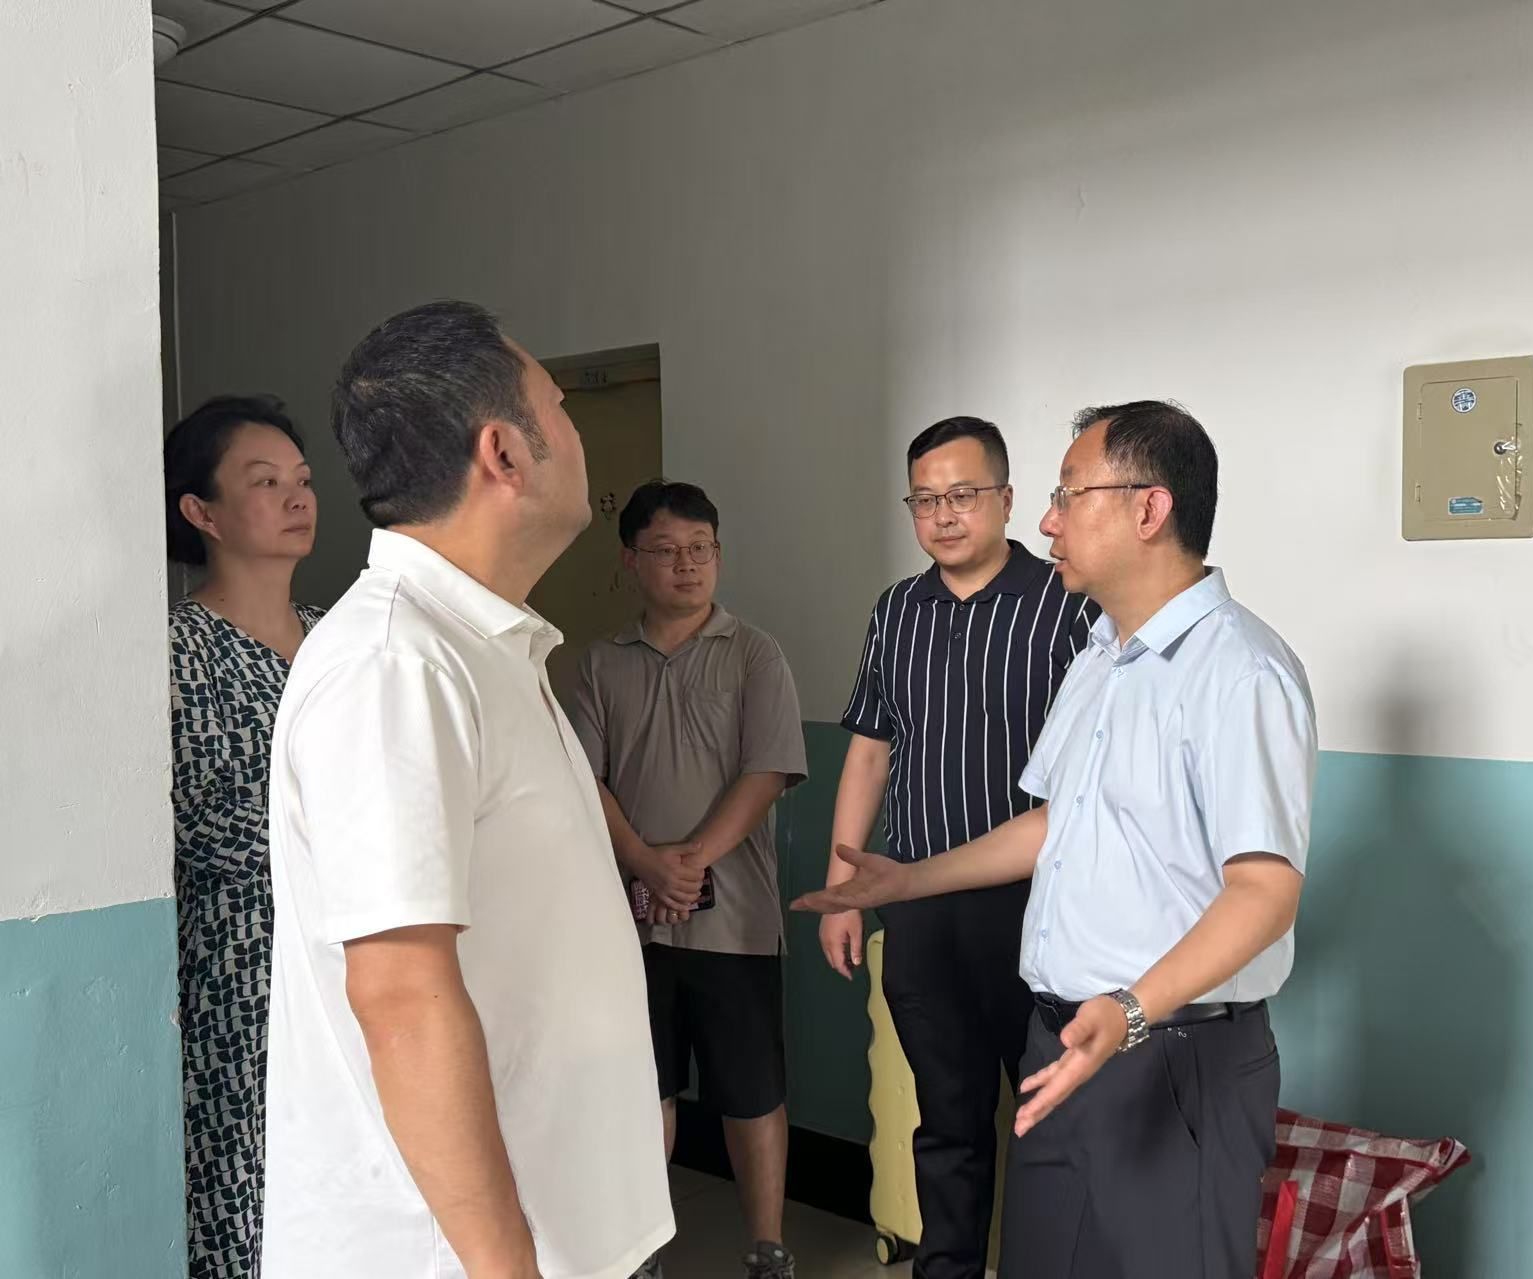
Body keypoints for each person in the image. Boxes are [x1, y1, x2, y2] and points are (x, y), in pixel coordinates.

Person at [798, 402, 1318, 1279]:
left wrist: (1130, 1010)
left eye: (1068, 495)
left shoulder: (1240, 672)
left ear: (1149, 509)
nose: (1048, 521)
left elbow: (1264, 894)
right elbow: (1055, 821)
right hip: (1067, 1040)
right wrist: (907, 881)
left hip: (1165, 1052)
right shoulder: (1101, 657)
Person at [261, 301, 673, 1279]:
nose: (574, 429)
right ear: (505, 452)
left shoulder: (486, 645)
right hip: (448, 1255)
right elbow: (401, 994)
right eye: (559, 405)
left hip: (562, 1228)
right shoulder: (395, 664)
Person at [823, 417, 1096, 1279]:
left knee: (1057, 1120)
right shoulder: (896, 611)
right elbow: (869, 751)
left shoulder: (1068, 602)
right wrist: (843, 887)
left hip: (1041, 908)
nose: (944, 514)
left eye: (964, 495)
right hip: (917, 908)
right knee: (945, 1121)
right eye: (926, 499)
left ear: (1006, 499)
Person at [569, 480, 809, 1279]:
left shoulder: (754, 653)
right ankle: (643, 1251)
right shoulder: (597, 663)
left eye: (700, 549)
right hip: (629, 922)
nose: (686, 565)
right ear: (630, 560)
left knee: (753, 1090)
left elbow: (767, 771)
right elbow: (584, 779)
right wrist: (644, 860)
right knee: (646, 1087)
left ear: (718, 554)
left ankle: (768, 1247)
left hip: (737, 921)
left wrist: (692, 858)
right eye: (666, 551)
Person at [166, 395, 320, 1279]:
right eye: (265, 482)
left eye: (302, 479)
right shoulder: (175, 653)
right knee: (249, 1203)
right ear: (203, 511)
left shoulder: (340, 639)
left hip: (359, 966)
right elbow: (194, 823)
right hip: (239, 978)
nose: (297, 497)